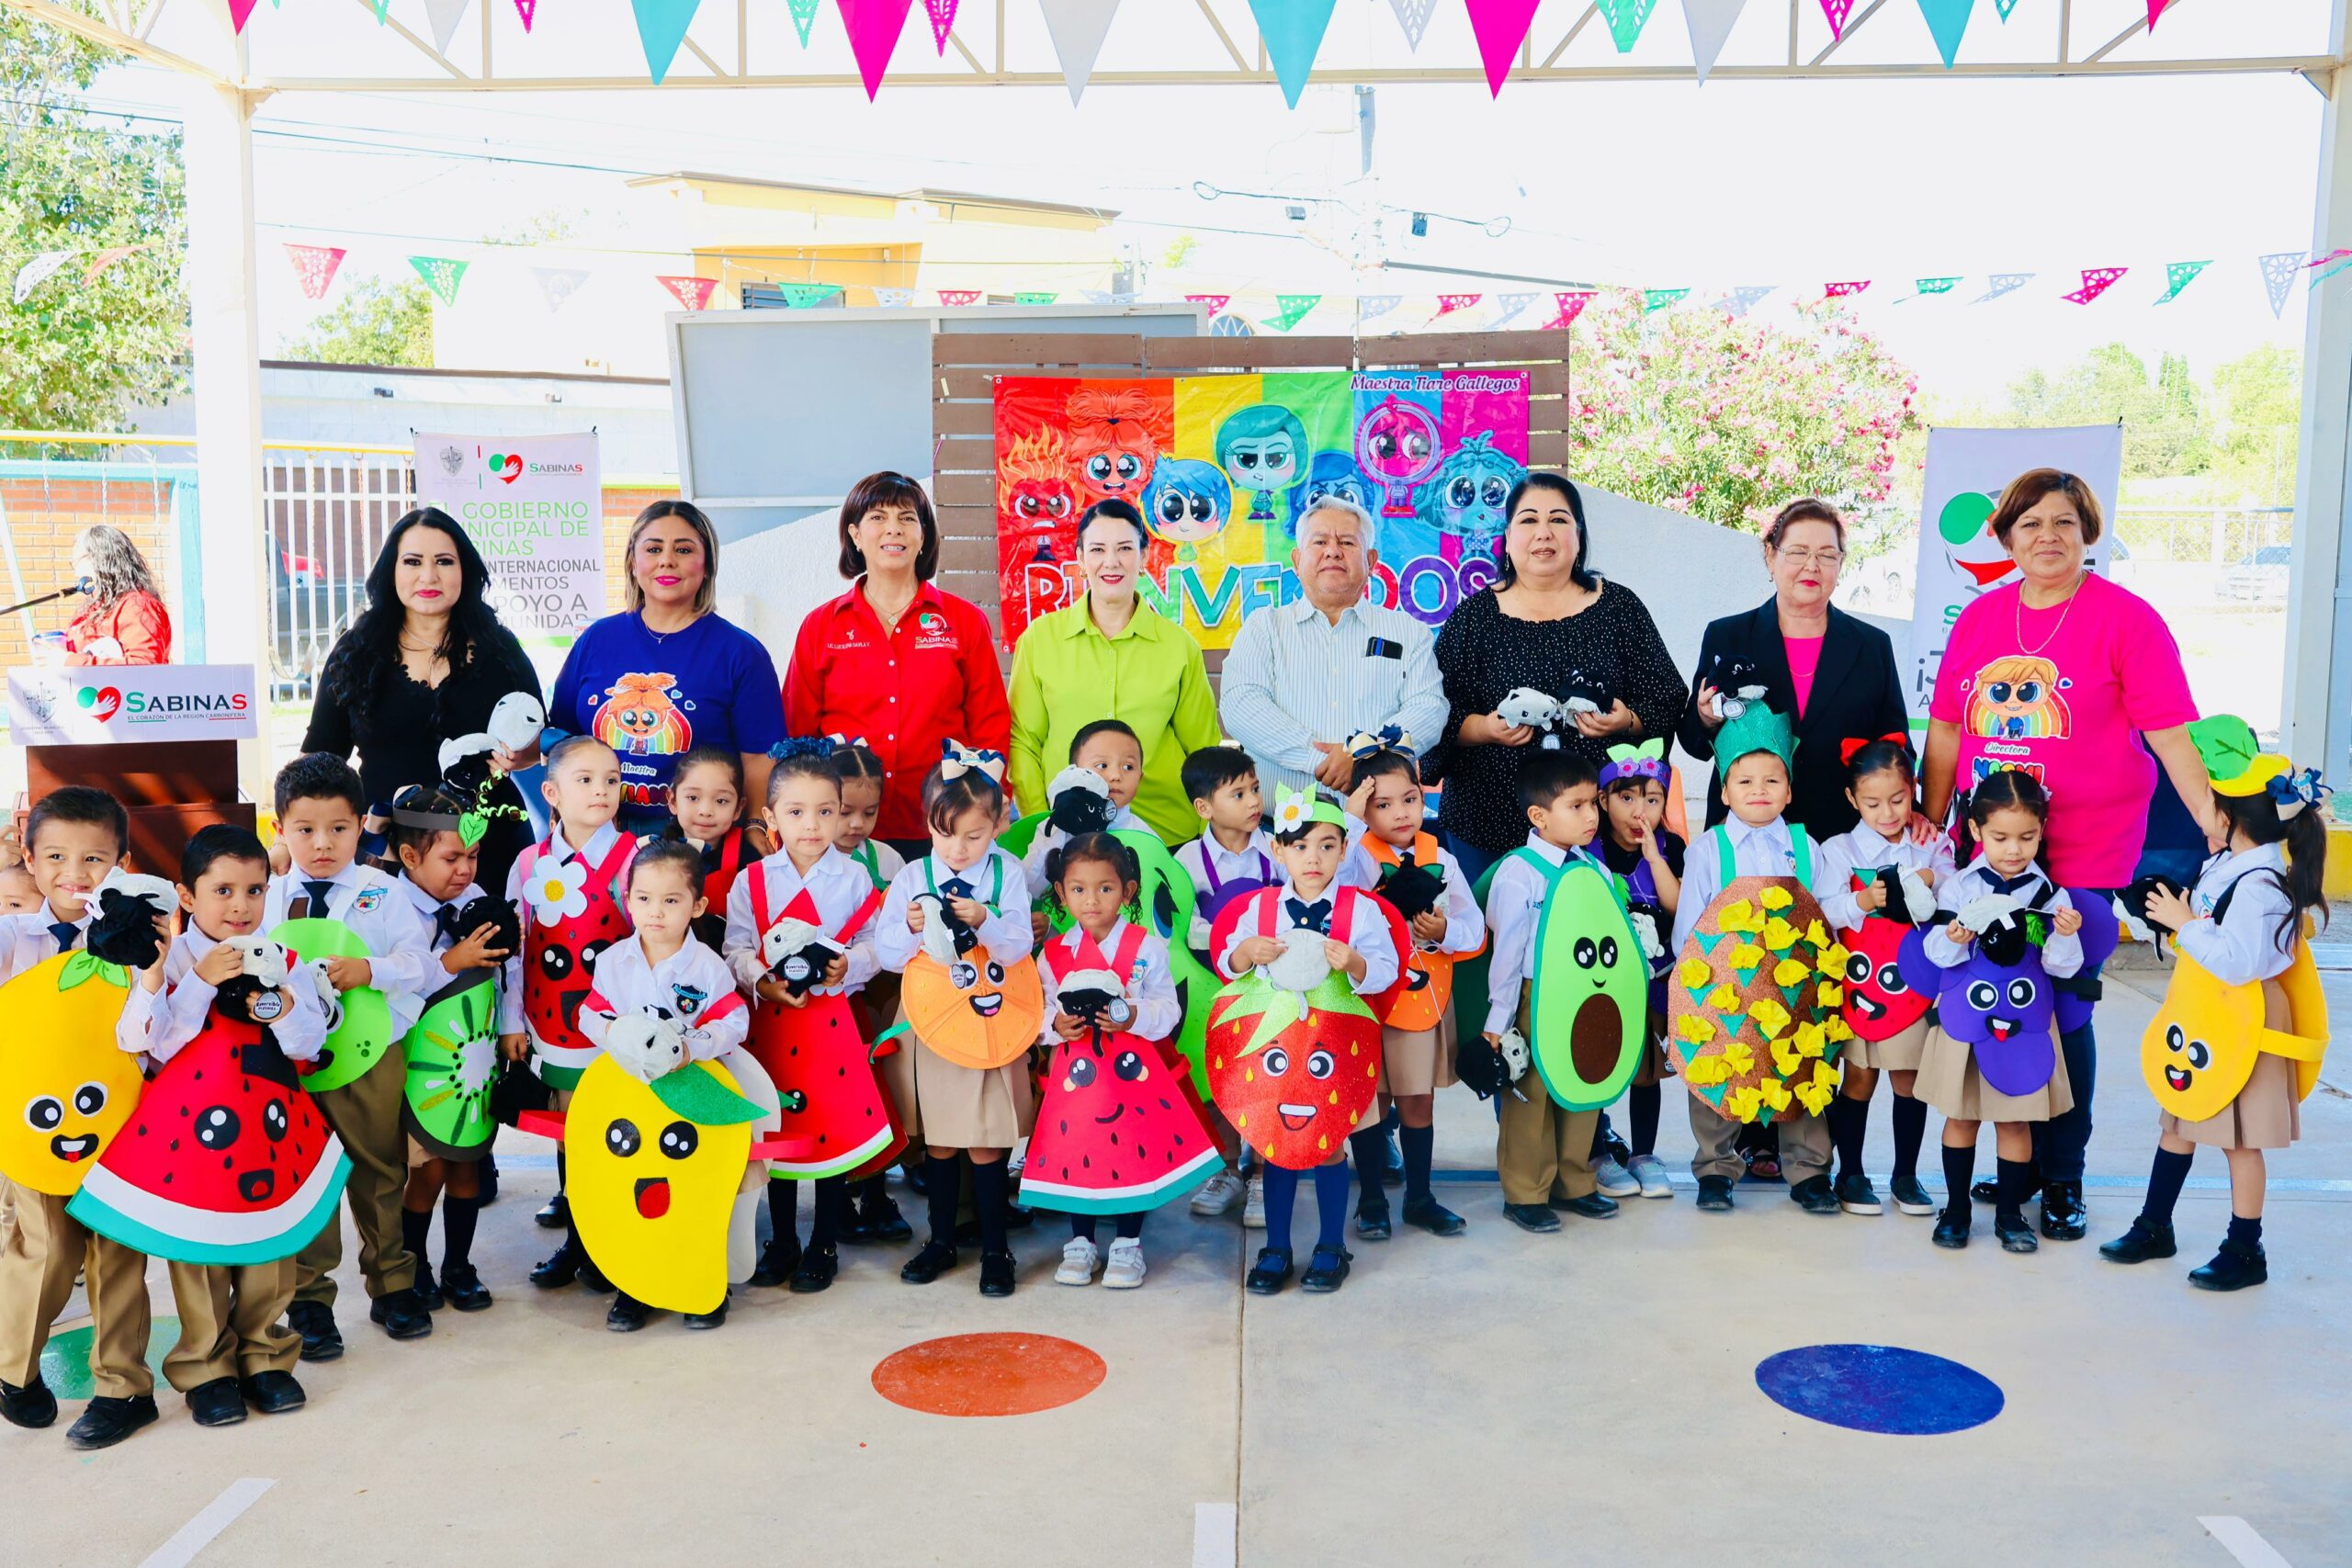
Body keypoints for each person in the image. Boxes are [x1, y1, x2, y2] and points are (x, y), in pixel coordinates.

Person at [1921, 468, 2207, 1242]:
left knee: (2063, 1006)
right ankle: (2019, 1159)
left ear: (2089, 532)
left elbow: (2170, 729)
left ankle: (2063, 1174)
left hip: (2080, 853)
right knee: (1996, 996)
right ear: (2006, 536)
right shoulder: (1981, 619)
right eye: (2030, 523)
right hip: (1993, 847)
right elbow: (1947, 728)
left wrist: (2213, 820)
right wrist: (1935, 815)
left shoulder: (2126, 619)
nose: (2048, 536)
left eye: (2065, 522)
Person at [2103, 719, 2333, 1292]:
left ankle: (2245, 1249)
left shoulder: (2259, 885)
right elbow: (2203, 939)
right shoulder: (2228, 864)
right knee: (2178, 1121)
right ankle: (2155, 1225)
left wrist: (2185, 923)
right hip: (2208, 1013)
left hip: (2247, 1018)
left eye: (2206, 801)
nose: (2197, 807)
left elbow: (2238, 961)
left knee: (2240, 1140)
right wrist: (2163, 918)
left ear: (2230, 819)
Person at [120, 825, 325, 1428]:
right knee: (199, 1250)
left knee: (271, 1245)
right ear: (187, 896)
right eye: (224, 890)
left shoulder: (284, 958)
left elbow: (310, 1041)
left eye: (255, 889)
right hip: (192, 1133)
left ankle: (266, 1355)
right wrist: (201, 984)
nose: (241, 905)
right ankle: (207, 1370)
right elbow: (151, 1047)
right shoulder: (164, 960)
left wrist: (285, 1006)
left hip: (267, 1123)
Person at [1430, 473, 1685, 885]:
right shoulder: (1474, 619)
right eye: (1529, 521)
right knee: (1498, 943)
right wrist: (1484, 730)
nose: (1543, 533)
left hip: (1603, 830)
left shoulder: (1619, 608)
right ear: (1509, 538)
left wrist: (1625, 722)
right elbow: (1434, 714)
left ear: (1579, 536)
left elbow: (1667, 699)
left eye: (1559, 520)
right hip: (1488, 826)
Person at [0, 788, 159, 1450]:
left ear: (121, 860)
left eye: (95, 857)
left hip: (120, 1122)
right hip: (33, 1130)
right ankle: (13, 1372)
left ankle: (123, 1388)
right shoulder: (10, 935)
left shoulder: (139, 937)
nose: (76, 872)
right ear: (29, 860)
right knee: (43, 1247)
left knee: (117, 1251)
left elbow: (158, 1025)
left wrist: (151, 969)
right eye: (58, 855)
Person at [267, 754, 439, 1359]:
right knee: (307, 1174)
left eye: (338, 829)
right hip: (291, 1064)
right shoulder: (265, 898)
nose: (322, 844)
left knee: (380, 1169)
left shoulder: (382, 891)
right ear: (278, 827)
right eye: (305, 829)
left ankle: (393, 1282)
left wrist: (373, 969)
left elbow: (424, 965)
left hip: (372, 1056)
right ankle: (310, 1298)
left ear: (360, 825)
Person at [1216, 786, 1399, 1296]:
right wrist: (1245, 952)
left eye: (1325, 845)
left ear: (1344, 850)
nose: (1312, 858)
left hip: (1336, 1050)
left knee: (1329, 1145)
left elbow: (1387, 970)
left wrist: (1358, 965)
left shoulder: (1360, 910)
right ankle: (1276, 1247)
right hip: (1278, 1049)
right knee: (1278, 1145)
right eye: (1299, 847)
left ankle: (1329, 1245)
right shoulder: (1262, 908)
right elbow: (1228, 963)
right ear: (1279, 851)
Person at [305, 508, 543, 897]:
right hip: (386, 850)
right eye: (413, 561)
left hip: (486, 847)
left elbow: (540, 741)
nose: (428, 576)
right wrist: (295, 837)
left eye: (444, 562)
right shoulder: (357, 651)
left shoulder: (499, 649)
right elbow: (320, 757)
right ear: (391, 571)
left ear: (464, 570)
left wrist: (525, 755)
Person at [723, 741, 888, 1294]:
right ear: (771, 818)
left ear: (841, 812)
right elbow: (736, 949)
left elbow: (875, 945)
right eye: (795, 813)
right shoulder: (753, 881)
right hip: (775, 1024)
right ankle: (785, 1239)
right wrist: (762, 981)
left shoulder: (853, 879)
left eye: (825, 812)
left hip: (831, 1026)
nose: (812, 826)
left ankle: (824, 1241)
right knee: (782, 1126)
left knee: (831, 1129)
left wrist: (849, 965)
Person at [873, 749, 1037, 1297]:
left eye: (973, 835)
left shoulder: (1007, 874)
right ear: (929, 825)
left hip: (989, 1019)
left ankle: (996, 1250)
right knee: (941, 1141)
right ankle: (941, 1239)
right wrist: (913, 927)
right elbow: (889, 955)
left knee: (988, 1142)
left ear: (996, 824)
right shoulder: (912, 876)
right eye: (946, 835)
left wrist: (987, 919)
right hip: (931, 1021)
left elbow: (1020, 946)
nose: (959, 849)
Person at [1668, 699, 1841, 1216]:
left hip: (1795, 989)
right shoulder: (1708, 849)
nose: (1759, 792)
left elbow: (1829, 908)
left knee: (1803, 1072)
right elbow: (1691, 925)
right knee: (1718, 1074)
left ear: (1789, 789)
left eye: (1771, 781)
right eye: (1745, 782)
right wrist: (1687, 990)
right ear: (1723, 791)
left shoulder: (1805, 845)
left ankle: (1809, 1170)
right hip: (1723, 990)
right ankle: (1716, 1169)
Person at [578, 839, 754, 1332]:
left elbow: (734, 1020)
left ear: (697, 906)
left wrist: (693, 1046)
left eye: (671, 900)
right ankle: (634, 1287)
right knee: (630, 1190)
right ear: (627, 898)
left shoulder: (708, 968)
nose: (655, 912)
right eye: (643, 898)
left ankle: (703, 1287)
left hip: (689, 1097)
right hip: (631, 1098)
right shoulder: (614, 962)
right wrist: (615, 1033)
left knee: (693, 1194)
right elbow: (591, 1013)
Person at [785, 474, 1010, 858]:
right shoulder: (821, 625)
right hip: (841, 827)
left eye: (907, 518)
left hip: (943, 827)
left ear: (923, 535)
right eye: (878, 517)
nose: (894, 529)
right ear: (855, 534)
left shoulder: (964, 621)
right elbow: (798, 729)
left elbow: (989, 723)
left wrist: (991, 801)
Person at [1028, 832, 1213, 1290]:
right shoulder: (1052, 955)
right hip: (1076, 1077)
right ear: (1061, 893)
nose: (1092, 900)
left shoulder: (1145, 947)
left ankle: (1129, 1243)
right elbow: (1037, 1011)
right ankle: (1081, 1242)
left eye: (1105, 888)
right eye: (1078, 889)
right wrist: (1056, 1026)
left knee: (1130, 1150)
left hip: (1133, 1076)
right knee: (1080, 1151)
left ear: (1127, 891)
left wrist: (1132, 1015)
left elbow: (1168, 1009)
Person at [1916, 771, 2086, 1254]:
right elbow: (1936, 956)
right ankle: (1956, 1211)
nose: (2014, 850)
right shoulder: (1959, 889)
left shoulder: (2048, 897)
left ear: (2042, 831)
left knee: (2015, 1121)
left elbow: (2057, 966)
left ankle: (2011, 1214)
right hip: (1968, 1022)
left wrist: (2065, 935)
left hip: (2024, 1023)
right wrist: (1951, 939)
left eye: (2027, 837)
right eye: (2000, 837)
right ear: (1975, 832)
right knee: (1962, 1116)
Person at [1679, 499, 1914, 840]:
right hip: (1746, 836)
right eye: (1798, 552)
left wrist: (1911, 811)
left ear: (1840, 564)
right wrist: (1706, 718)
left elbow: (1895, 742)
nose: (1812, 566)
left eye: (1827, 555)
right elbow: (1694, 743)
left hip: (1843, 838)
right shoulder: (1728, 635)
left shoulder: (1872, 645)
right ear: (1771, 557)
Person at [549, 500, 785, 836]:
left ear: (707, 565)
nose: (667, 561)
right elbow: (563, 738)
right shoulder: (596, 639)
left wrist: (755, 828)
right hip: (597, 831)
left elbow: (759, 759)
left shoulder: (742, 653)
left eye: (684, 549)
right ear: (633, 561)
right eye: (654, 548)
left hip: (698, 838)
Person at [1337, 738, 1484, 1240]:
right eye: (1382, 804)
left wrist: (1444, 933)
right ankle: (1372, 1199)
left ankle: (1420, 1197)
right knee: (1370, 1102)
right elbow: (1327, 893)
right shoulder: (1351, 853)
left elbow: (1475, 928)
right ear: (1362, 807)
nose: (1400, 813)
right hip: (1363, 997)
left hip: (1419, 996)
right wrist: (1350, 821)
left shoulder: (1439, 856)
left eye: (1410, 799)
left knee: (1416, 1100)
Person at [1009, 499, 1221, 842]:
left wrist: (1202, 834)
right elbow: (1023, 743)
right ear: (1080, 558)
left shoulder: (1179, 646)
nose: (1111, 562)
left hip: (1164, 834)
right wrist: (1042, 823)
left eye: (1124, 548)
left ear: (1144, 557)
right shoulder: (1039, 640)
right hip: (1066, 834)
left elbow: (1204, 751)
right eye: (1097, 549)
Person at [506, 735, 638, 1283]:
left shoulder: (637, 858)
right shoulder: (528, 862)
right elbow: (513, 951)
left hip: (620, 1028)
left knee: (616, 1131)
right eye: (584, 780)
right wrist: (511, 1020)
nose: (601, 791)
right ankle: (577, 1241)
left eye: (611, 779)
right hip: (553, 1022)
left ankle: (614, 1246)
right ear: (552, 792)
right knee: (570, 1130)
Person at [1219, 496, 1447, 800]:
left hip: (1380, 832)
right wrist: (1323, 762)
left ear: (1372, 561)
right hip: (1284, 837)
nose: (1333, 551)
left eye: (1348, 543)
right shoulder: (1265, 628)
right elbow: (1241, 707)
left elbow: (1429, 709)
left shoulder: (1409, 633)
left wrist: (1361, 755)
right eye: (1320, 542)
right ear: (1297, 561)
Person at [388, 785, 518, 1314]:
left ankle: (459, 1265)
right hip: (419, 1064)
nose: (465, 869)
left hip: (474, 1060)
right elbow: (389, 984)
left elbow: (509, 968)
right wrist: (454, 960)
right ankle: (413, 1262)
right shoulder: (388, 908)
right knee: (427, 1169)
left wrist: (511, 1026)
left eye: (472, 856)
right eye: (451, 858)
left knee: (468, 1162)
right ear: (411, 856)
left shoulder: (476, 900)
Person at [1481, 750, 1622, 1234]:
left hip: (1586, 994)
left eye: (1593, 804)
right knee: (1531, 1094)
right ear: (1539, 816)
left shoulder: (1595, 871)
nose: (1591, 816)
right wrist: (1498, 1022)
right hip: (1531, 996)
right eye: (1576, 806)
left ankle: (1576, 1181)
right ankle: (1526, 1191)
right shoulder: (1519, 872)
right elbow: (1506, 952)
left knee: (1582, 1082)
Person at [1813, 739, 1953, 1221]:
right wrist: (1863, 903)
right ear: (1852, 800)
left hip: (1912, 984)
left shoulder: (1932, 843)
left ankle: (1906, 1175)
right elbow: (1824, 910)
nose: (1888, 813)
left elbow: (1956, 890)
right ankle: (1849, 1172)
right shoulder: (1838, 849)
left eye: (1898, 799)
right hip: (1858, 986)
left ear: (1913, 790)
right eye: (1873, 803)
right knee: (1858, 1078)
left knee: (1908, 1080)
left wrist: (1931, 880)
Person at [1172, 744, 1274, 1226]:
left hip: (1272, 986)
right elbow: (1182, 924)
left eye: (1254, 788)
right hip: (1210, 985)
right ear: (1204, 807)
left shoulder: (1277, 849)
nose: (1254, 800)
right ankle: (1230, 1170)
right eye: (1239, 793)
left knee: (1270, 1077)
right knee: (1216, 1079)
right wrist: (1233, 942)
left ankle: (1264, 1179)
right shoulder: (1185, 862)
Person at [1592, 739, 1683, 1201]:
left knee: (1647, 1072)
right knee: (1596, 1063)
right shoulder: (1585, 848)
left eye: (1653, 798)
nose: (1640, 811)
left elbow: (1678, 907)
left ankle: (1644, 1154)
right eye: (1626, 798)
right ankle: (1596, 1153)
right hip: (1600, 981)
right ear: (1603, 800)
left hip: (1656, 980)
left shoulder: (1671, 846)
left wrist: (1654, 858)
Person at [1021, 718, 1155, 908]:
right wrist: (1061, 831)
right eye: (1102, 766)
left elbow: (1151, 898)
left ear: (1140, 777)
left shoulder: (1145, 836)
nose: (1115, 776)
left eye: (1128, 767)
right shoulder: (1055, 827)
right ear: (1074, 773)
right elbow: (1032, 888)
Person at [650, 745, 770, 952]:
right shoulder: (653, 855)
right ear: (672, 800)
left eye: (721, 801)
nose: (706, 811)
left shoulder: (749, 858)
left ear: (738, 808)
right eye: (693, 798)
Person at [62, 525, 171, 665]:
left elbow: (143, 666)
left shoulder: (137, 606)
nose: (76, 573)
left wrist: (71, 661)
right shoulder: (94, 608)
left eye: (76, 563)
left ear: (97, 559)